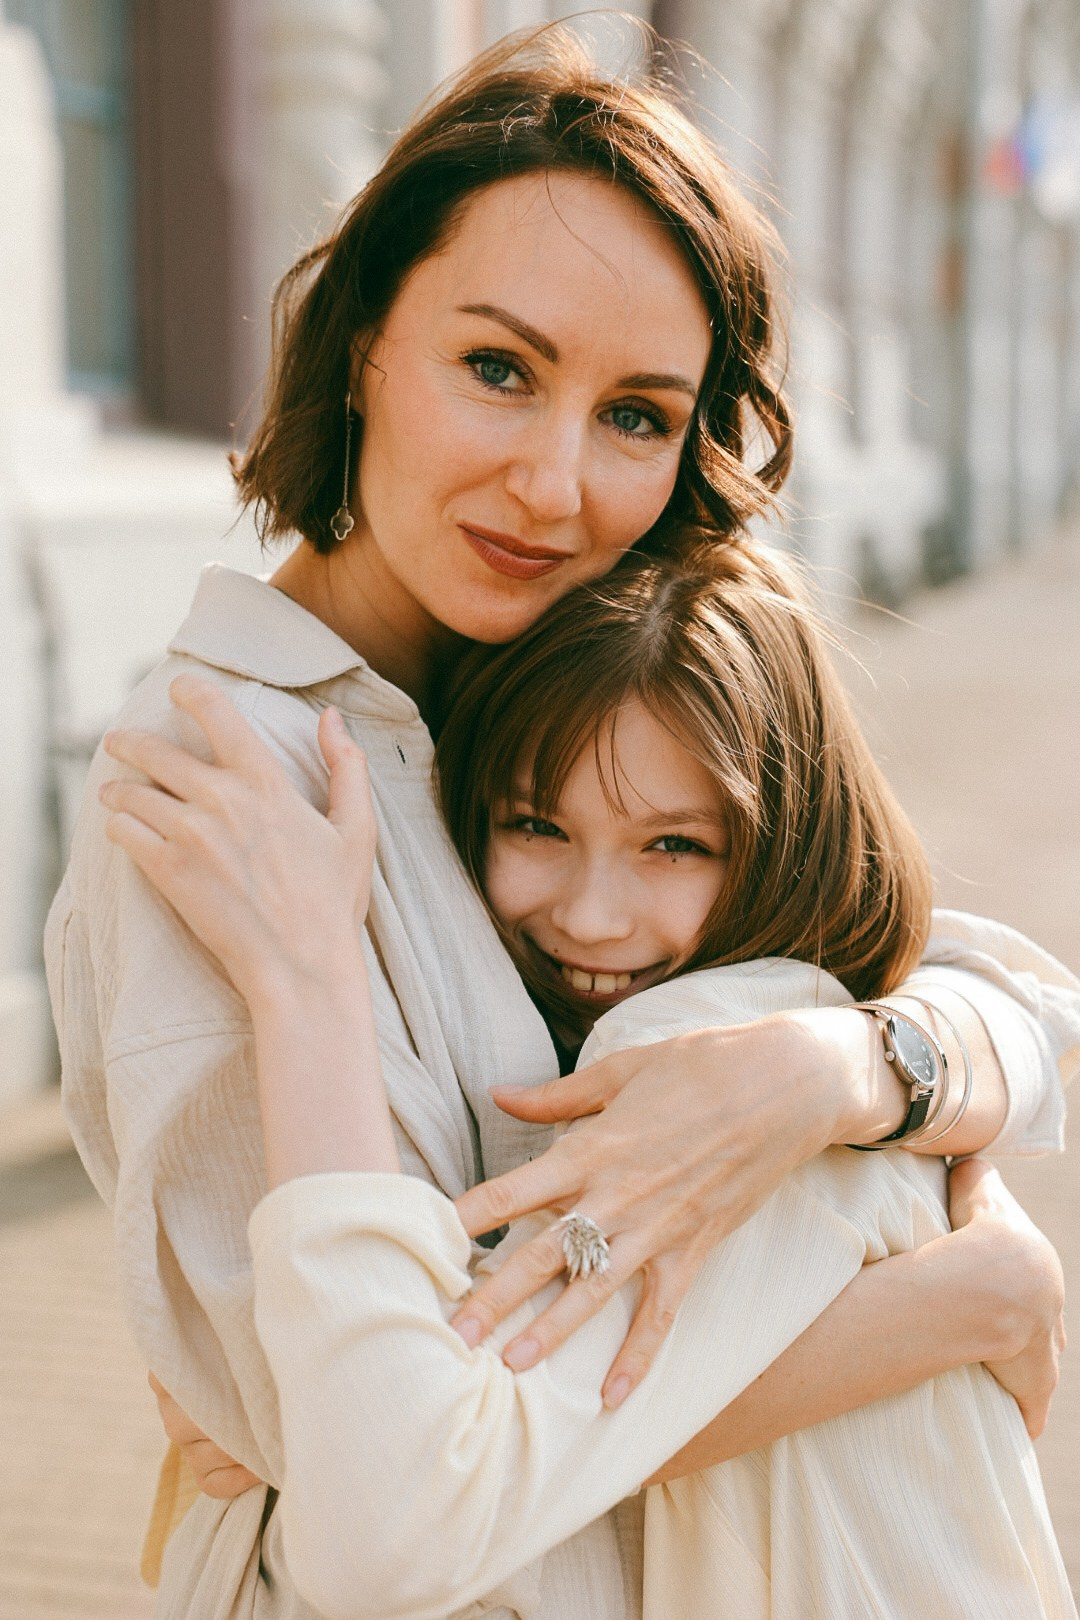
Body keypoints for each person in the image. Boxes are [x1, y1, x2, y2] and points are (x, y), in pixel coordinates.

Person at [44, 23, 1079, 1620]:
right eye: (500, 369)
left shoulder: (539, 674)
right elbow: (386, 1466)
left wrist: (839, 1069)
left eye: (639, 415)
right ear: (367, 337)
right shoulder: (218, 795)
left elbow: (998, 992)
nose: (554, 485)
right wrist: (957, 1301)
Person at [100, 547, 1074, 1619]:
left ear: (782, 845)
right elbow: (1017, 992)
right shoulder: (801, 1032)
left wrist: (309, 980)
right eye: (536, 826)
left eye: (673, 845)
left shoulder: (704, 1055)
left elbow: (406, 1512)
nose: (594, 915)